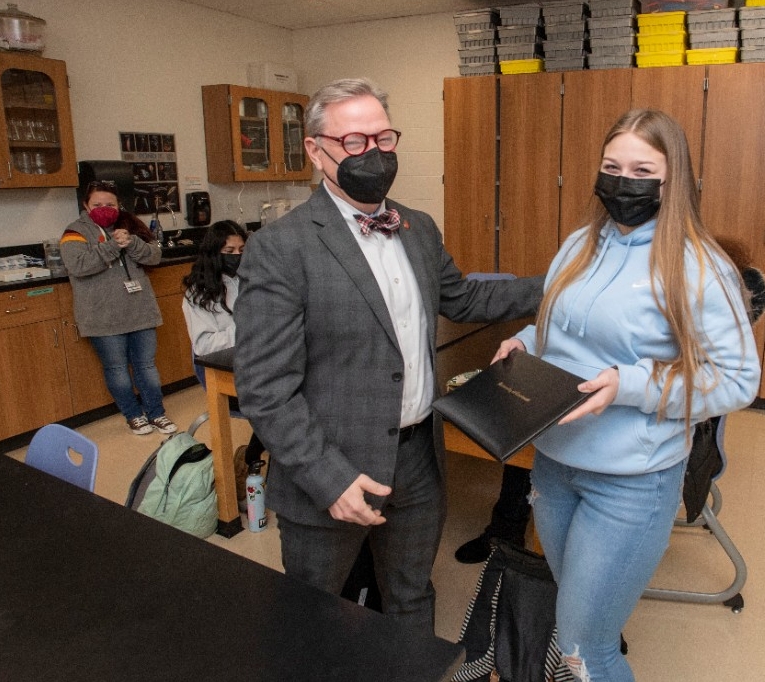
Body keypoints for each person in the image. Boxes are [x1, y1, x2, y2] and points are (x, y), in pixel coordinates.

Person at [233, 77, 544, 635]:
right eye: (354, 142)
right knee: (314, 615)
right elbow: (264, 388)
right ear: (316, 150)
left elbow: (465, 297)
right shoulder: (281, 248)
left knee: (410, 597)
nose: (373, 155)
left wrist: (560, 283)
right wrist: (328, 478)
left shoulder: (417, 227)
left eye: (383, 138)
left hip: (418, 457)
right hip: (331, 467)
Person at [492, 109, 760, 681]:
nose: (622, 181)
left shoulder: (700, 265)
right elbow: (557, 326)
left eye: (641, 169)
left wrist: (630, 385)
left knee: (585, 650)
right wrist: (520, 340)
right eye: (611, 167)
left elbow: (738, 380)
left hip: (631, 483)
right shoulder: (579, 245)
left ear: (673, 179)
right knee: (576, 626)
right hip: (555, 464)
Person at [60, 179, 177, 436]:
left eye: (110, 204)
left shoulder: (129, 223)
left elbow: (154, 256)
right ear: (86, 205)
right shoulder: (74, 232)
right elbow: (79, 265)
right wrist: (112, 245)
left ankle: (156, 413)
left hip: (139, 311)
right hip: (103, 316)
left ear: (118, 204)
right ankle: (134, 415)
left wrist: (131, 242)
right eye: (97, 204)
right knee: (117, 369)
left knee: (146, 366)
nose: (104, 208)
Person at [181, 219, 265, 467]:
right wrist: (247, 329)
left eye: (241, 251)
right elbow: (204, 346)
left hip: (257, 360)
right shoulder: (198, 293)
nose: (236, 257)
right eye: (229, 252)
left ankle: (258, 453)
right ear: (213, 252)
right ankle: (252, 458)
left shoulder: (249, 279)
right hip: (222, 370)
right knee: (279, 400)